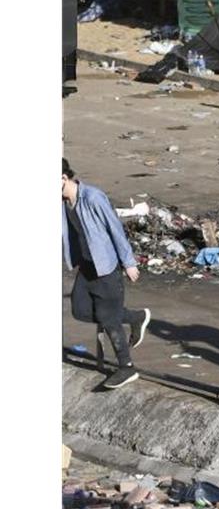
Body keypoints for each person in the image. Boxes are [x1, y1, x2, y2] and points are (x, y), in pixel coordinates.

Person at [62, 158, 152, 389]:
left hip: (106, 266)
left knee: (109, 318)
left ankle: (127, 368)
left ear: (63, 178)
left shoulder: (92, 197)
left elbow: (115, 228)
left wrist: (129, 262)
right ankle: (135, 317)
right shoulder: (63, 202)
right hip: (87, 266)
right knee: (80, 309)